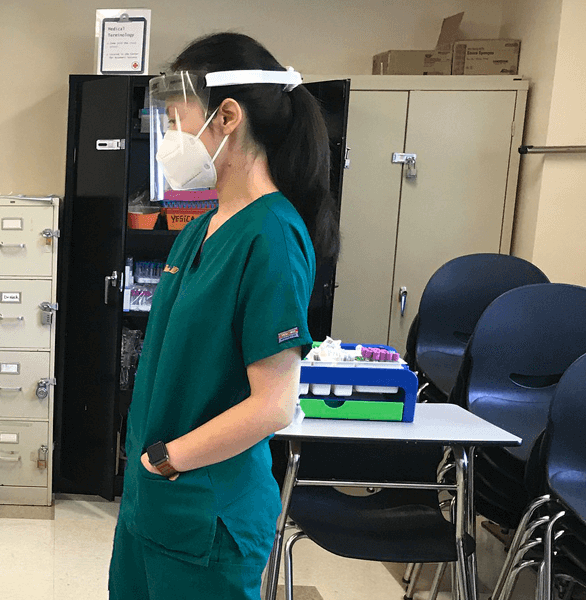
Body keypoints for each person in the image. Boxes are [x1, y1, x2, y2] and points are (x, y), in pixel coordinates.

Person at [109, 33, 340, 600]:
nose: (169, 139)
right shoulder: (198, 231)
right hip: (151, 508)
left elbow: (274, 403)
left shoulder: (272, 236)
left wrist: (168, 460)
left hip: (205, 517)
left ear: (227, 116)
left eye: (174, 120)